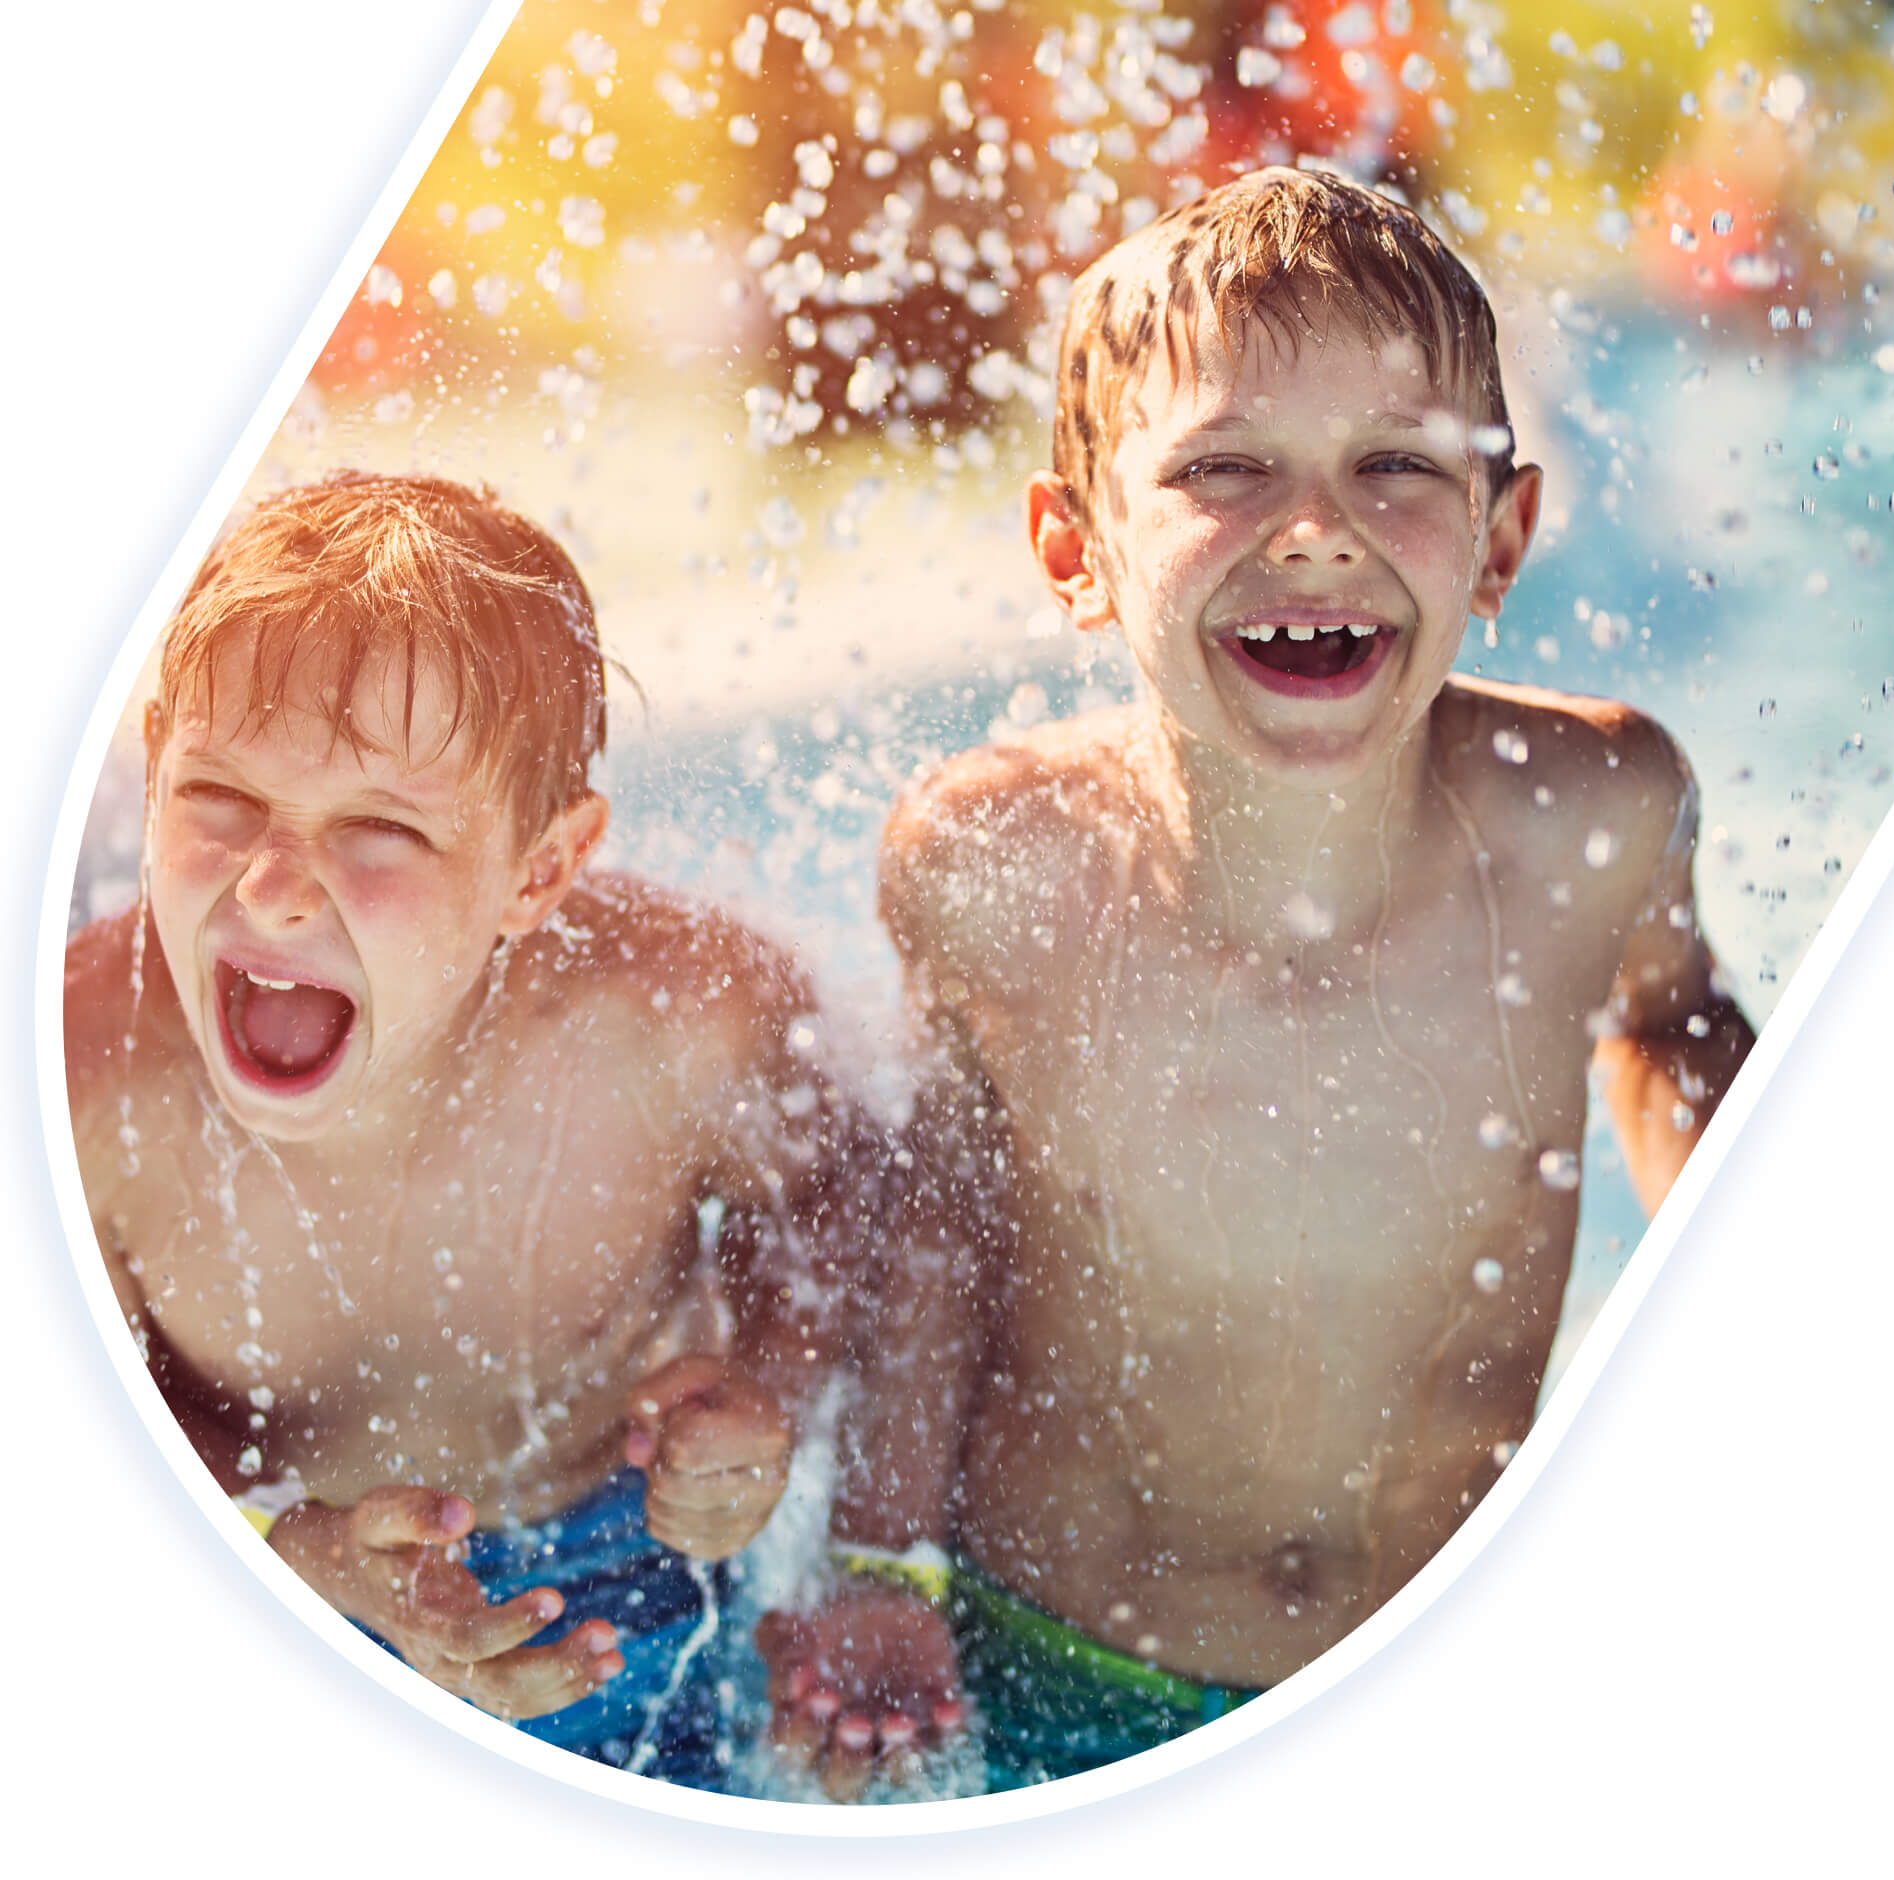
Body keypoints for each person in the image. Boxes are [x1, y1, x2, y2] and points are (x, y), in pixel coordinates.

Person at [765, 167, 1755, 1791]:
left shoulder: (1590, 817)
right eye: (1226, 467)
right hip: (1074, 1649)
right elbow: (939, 1213)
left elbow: (1669, 1025)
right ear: (1075, 547)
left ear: (1502, 533)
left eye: (1395, 466)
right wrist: (877, 1568)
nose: (1316, 527)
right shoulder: (1001, 865)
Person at [65, 472, 895, 1788]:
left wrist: (763, 1401)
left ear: (540, 871)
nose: (273, 888)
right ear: (153, 754)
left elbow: (846, 1190)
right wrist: (273, 1549)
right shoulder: (84, 1070)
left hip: (610, 1580)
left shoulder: (674, 1019)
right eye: (218, 800)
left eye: (380, 830)